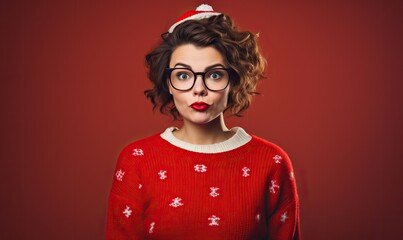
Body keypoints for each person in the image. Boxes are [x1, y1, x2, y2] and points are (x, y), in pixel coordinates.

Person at [105, 4, 301, 240]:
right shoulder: (136, 160)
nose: (199, 89)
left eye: (214, 75)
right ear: (168, 82)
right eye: (183, 75)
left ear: (234, 80)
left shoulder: (271, 162)